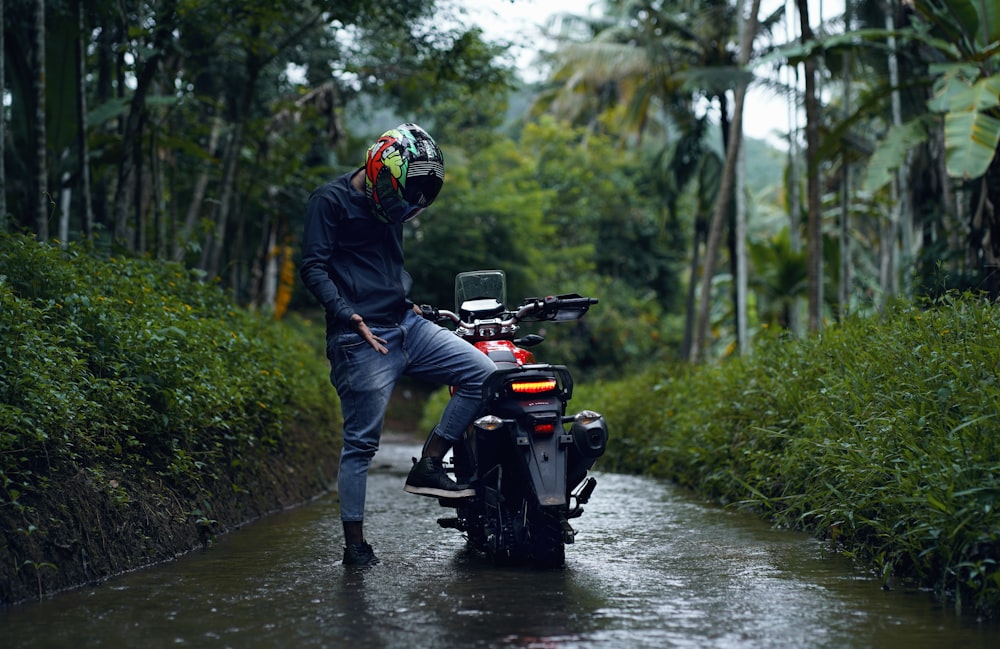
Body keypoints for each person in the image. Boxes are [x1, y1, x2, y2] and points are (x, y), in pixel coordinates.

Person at [299, 123, 497, 567]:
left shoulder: (399, 201)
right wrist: (348, 314)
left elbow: (381, 268)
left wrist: (414, 307)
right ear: (377, 169)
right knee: (361, 444)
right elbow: (313, 267)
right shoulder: (329, 201)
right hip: (360, 336)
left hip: (407, 323)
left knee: (483, 374)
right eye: (397, 200)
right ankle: (355, 544)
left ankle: (429, 462)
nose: (401, 211)